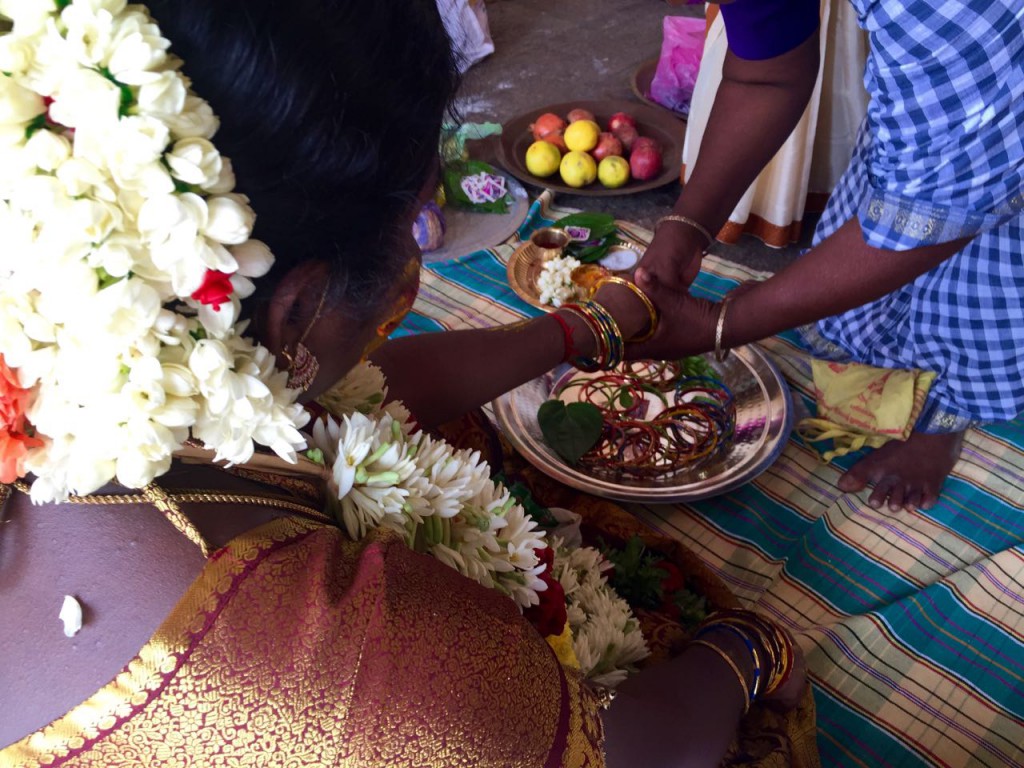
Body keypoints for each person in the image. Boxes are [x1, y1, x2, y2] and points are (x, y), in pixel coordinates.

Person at [0, 1, 811, 766]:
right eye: (417, 215)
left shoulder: (62, 337)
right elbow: (624, 750)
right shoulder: (381, 687)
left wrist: (594, 325)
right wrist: (747, 650)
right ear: (303, 305)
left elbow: (357, 395)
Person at [637, 0, 1024, 512]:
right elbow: (766, 76)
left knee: (990, 245)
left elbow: (943, 200)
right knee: (899, 186)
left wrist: (726, 323)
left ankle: (952, 411)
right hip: (958, 114)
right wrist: (683, 230)